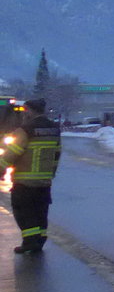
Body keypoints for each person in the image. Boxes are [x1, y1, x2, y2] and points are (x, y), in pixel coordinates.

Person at [3, 98, 62, 254]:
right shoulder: (54, 129)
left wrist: (1, 170)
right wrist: (51, 174)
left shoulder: (25, 130)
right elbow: (57, 154)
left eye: (25, 110)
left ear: (29, 110)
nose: (24, 114)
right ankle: (40, 240)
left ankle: (29, 242)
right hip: (44, 182)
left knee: (24, 212)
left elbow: (12, 154)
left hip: (25, 181)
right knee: (40, 212)